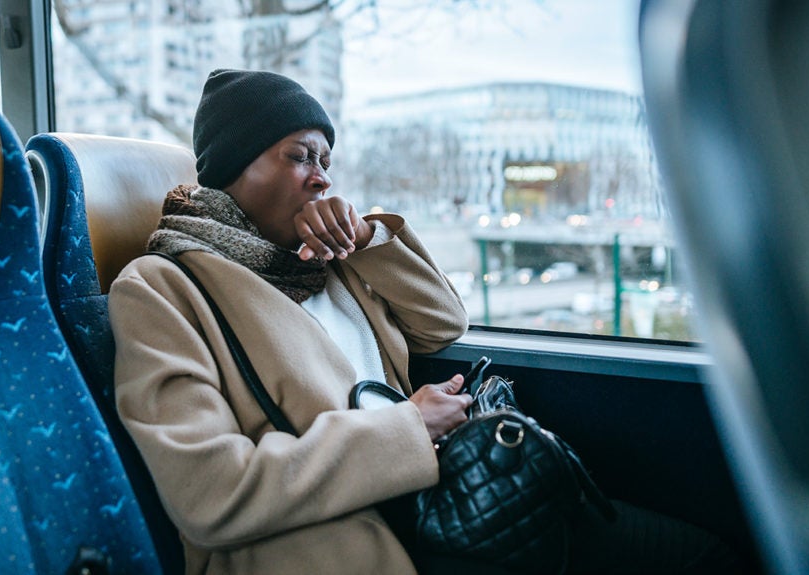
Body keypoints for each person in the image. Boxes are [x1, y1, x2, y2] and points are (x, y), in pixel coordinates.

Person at [109, 69, 744, 575]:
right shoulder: (162, 289)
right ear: (232, 166)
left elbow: (444, 324)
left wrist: (369, 240)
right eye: (301, 156)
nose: (321, 177)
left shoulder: (325, 262)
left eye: (326, 160)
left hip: (447, 501)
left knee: (703, 552)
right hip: (346, 542)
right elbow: (212, 494)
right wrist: (407, 427)